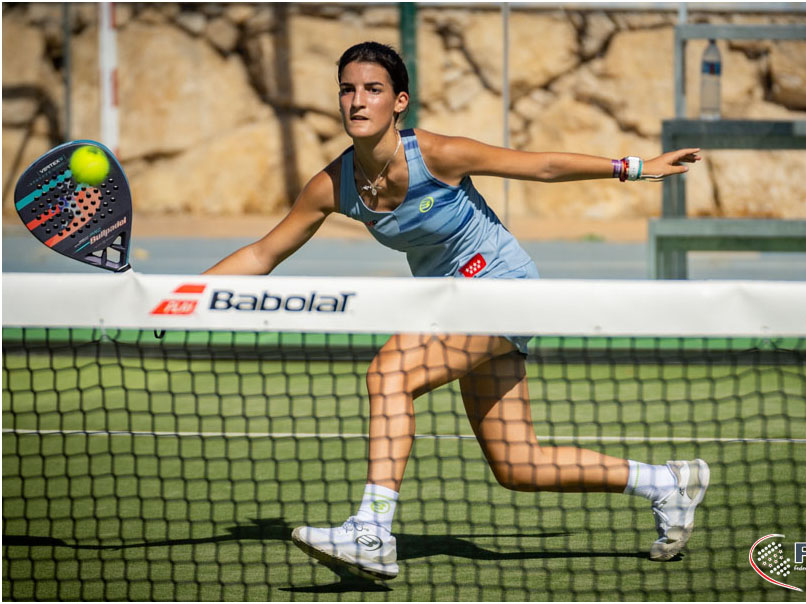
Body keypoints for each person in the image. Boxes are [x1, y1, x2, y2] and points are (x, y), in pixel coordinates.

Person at [205, 41, 708, 580]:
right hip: (451, 306)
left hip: (503, 286)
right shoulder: (334, 184)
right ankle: (666, 484)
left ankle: (372, 531)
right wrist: (179, 301)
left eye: (373, 90)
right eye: (347, 90)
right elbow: (262, 253)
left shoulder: (437, 154)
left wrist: (634, 167)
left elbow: (540, 166)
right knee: (520, 466)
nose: (357, 101)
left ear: (399, 102)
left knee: (390, 373)